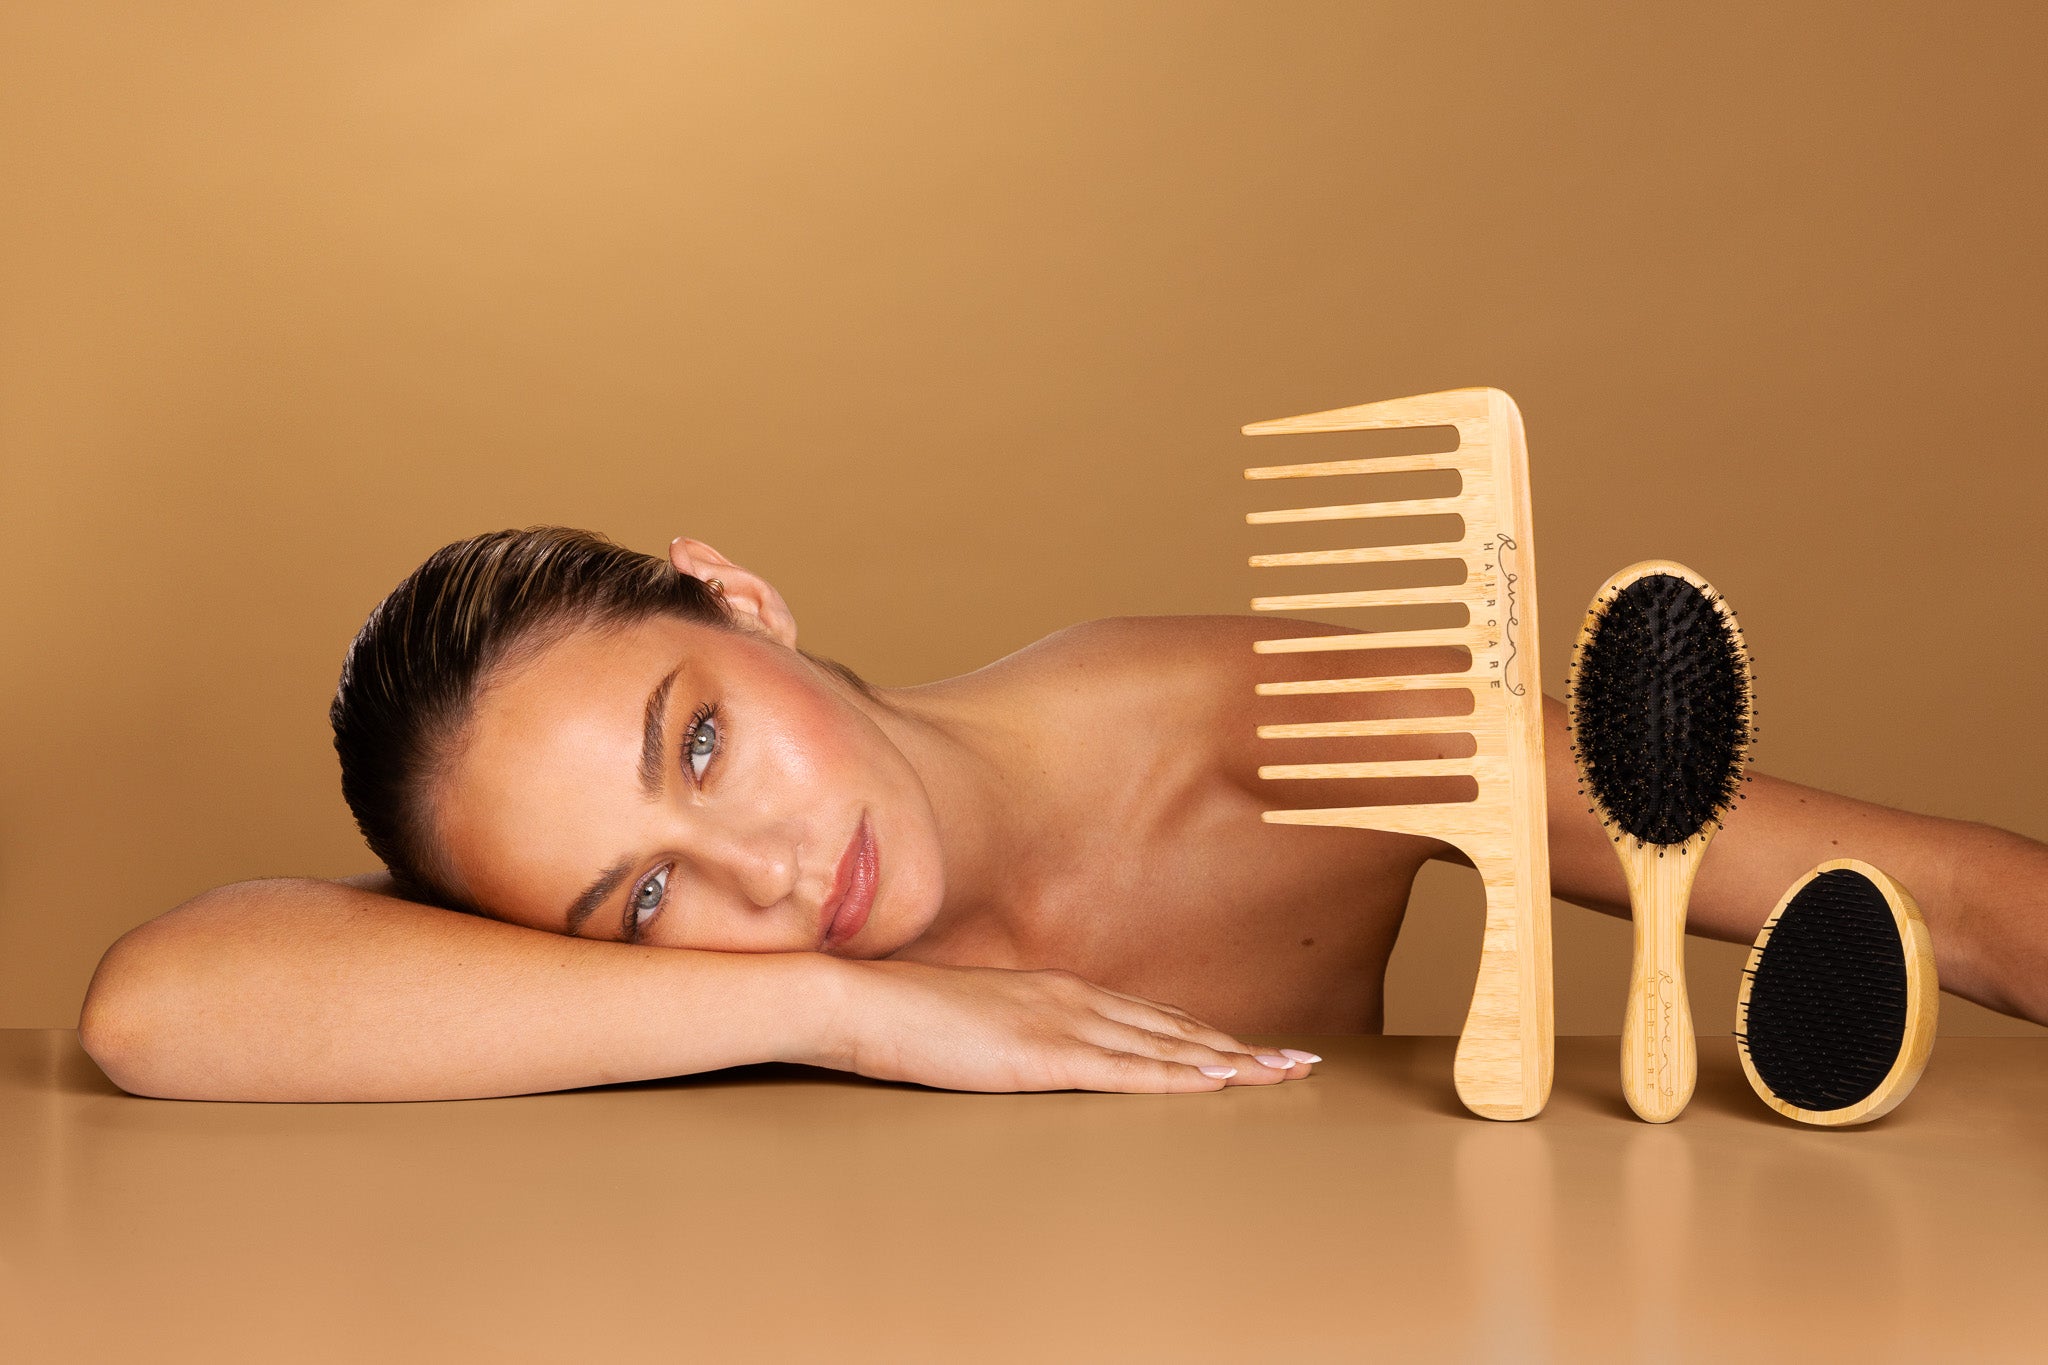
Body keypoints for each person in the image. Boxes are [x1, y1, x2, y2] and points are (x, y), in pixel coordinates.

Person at [76, 528, 2048, 1102]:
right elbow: (154, 1010)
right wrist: (839, 1009)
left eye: (698, 743)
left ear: (741, 598)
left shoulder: (1273, 727)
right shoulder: (707, 974)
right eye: (644, 893)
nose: (762, 871)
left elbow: (1952, 906)